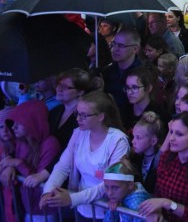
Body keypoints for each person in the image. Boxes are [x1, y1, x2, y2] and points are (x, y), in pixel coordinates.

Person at [40, 91, 130, 220]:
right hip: (80, 208)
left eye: (84, 115)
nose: (77, 119)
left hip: (105, 212)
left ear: (101, 117)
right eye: (77, 113)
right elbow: (62, 167)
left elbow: (111, 182)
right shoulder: (78, 134)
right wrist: (48, 190)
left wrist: (73, 198)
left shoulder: (118, 141)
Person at [139, 112, 188, 222]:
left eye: (179, 134)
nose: (171, 138)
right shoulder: (165, 157)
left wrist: (167, 203)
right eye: (171, 132)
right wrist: (156, 210)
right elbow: (158, 193)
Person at [1, 100, 60, 222]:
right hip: (27, 207)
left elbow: (36, 182)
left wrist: (17, 163)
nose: (13, 127)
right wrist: (10, 166)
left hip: (44, 210)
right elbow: (10, 158)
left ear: (32, 122)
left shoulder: (50, 144)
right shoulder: (22, 141)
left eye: (19, 123)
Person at [48, 68, 95, 147]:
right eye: (58, 84)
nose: (58, 89)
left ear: (80, 92)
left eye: (64, 86)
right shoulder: (55, 110)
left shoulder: (85, 116)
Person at [120, 66, 169, 134]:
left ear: (148, 88)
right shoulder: (123, 110)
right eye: (127, 87)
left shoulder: (160, 114)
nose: (129, 92)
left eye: (135, 87)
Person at [130, 111, 165, 194]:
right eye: (133, 136)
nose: (133, 141)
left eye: (138, 138)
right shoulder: (134, 158)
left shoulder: (161, 162)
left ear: (153, 141)